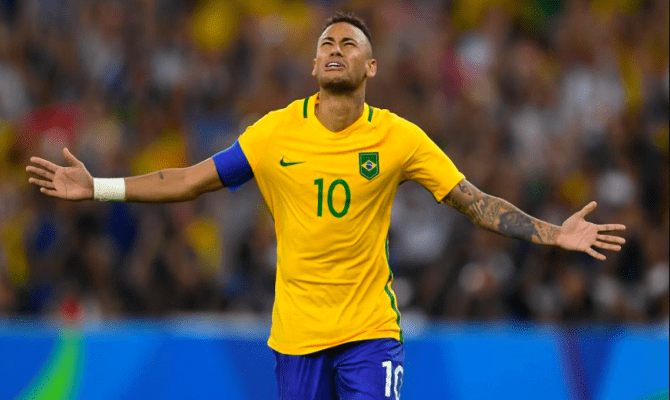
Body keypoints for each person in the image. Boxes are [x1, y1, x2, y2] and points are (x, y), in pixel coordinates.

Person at [26, 12, 626, 400]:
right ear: (315, 65)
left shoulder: (399, 137)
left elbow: (473, 202)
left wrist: (554, 234)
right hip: (297, 337)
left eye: (349, 43)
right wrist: (98, 187)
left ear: (371, 66)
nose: (336, 48)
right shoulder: (274, 133)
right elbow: (187, 180)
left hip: (370, 332)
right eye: (326, 43)